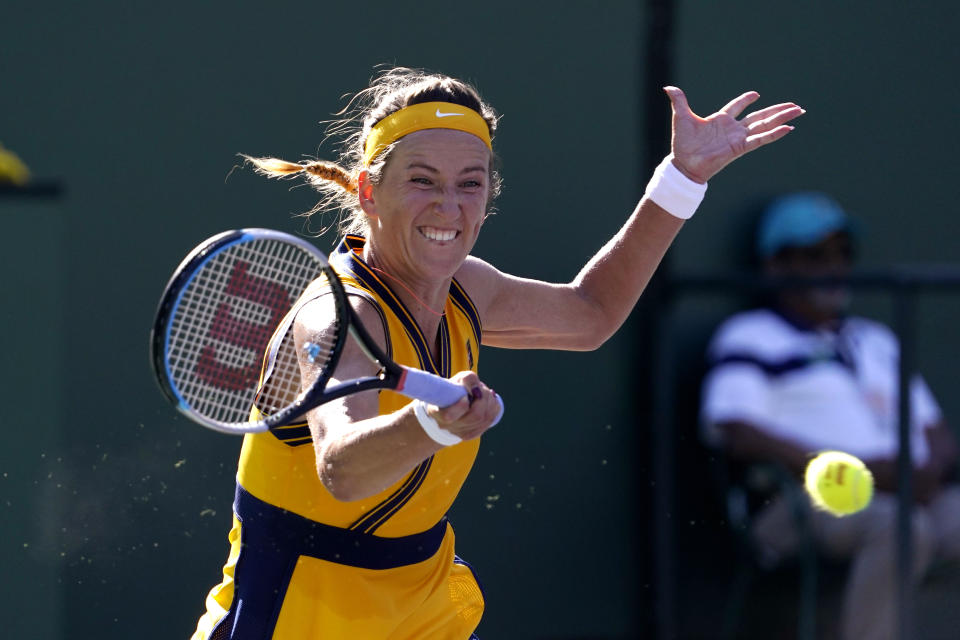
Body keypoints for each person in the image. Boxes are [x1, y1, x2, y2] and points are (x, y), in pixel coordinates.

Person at [191, 66, 803, 640]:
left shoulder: (469, 288)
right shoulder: (338, 316)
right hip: (295, 616)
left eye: (470, 184)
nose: (449, 206)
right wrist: (430, 422)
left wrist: (682, 179)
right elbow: (342, 469)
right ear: (368, 193)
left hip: (422, 606)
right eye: (422, 180)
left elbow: (590, 315)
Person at [700, 192, 960, 640]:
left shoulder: (874, 340)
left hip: (908, 490)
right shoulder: (750, 336)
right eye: (815, 256)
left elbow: (935, 430)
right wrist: (855, 472)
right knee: (902, 528)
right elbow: (738, 432)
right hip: (804, 500)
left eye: (842, 254)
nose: (833, 267)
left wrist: (926, 473)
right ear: (775, 266)